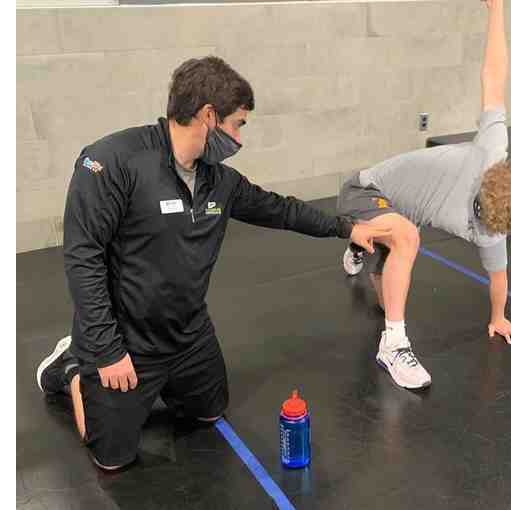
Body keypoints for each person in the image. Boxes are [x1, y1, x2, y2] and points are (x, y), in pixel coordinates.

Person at [36, 56, 389, 471]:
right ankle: (73, 370)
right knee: (111, 458)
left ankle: (154, 380)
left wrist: (347, 228)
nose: (239, 138)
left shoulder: (218, 179)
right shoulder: (112, 162)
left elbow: (280, 209)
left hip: (187, 333)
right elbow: (83, 257)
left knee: (209, 412)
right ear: (208, 116)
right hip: (126, 338)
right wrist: (106, 349)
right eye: (237, 124)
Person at [337, 0, 511, 389]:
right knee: (408, 238)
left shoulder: (493, 232)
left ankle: (360, 244)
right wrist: (497, 9)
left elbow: (498, 276)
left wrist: (498, 317)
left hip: (399, 216)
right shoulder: (491, 149)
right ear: (493, 177)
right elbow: (494, 75)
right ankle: (393, 346)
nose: (482, 215)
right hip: (365, 191)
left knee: (385, 300)